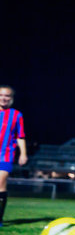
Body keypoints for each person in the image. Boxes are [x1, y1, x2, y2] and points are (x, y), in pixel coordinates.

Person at [0, 85, 27, 227]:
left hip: (5, 154)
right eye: (1, 95)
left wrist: (23, 153)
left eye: (7, 96)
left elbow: (20, 136)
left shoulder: (16, 115)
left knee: (0, 184)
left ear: (11, 99)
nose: (4, 98)